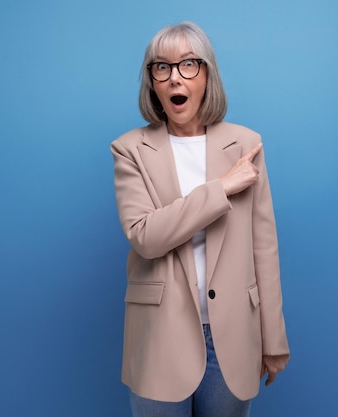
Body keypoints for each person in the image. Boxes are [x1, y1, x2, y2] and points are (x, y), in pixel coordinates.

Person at [110, 21, 289, 417]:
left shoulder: (245, 144)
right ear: (152, 81)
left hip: (233, 337)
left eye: (189, 64)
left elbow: (264, 246)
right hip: (160, 337)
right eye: (162, 67)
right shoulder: (130, 150)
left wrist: (273, 339)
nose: (175, 77)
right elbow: (146, 236)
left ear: (207, 74)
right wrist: (221, 188)